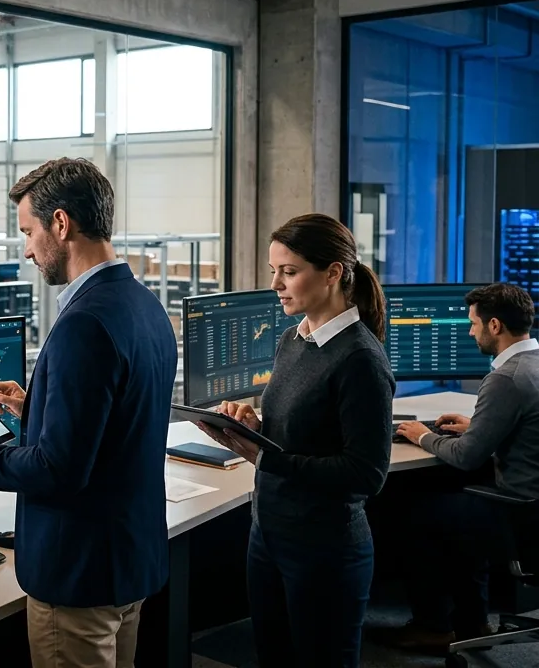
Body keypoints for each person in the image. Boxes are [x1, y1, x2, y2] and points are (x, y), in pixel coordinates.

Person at [0, 157, 178, 668]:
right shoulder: (143, 305)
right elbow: (121, 416)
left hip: (78, 575)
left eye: (28, 231)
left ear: (61, 224)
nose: (26, 250)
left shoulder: (82, 324)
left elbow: (59, 470)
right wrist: (39, 406)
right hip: (128, 559)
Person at [196, 213, 393, 668]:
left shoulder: (360, 359)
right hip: (269, 535)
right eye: (274, 272)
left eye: (289, 272)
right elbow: (300, 432)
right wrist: (253, 427)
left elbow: (366, 475)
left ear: (333, 273)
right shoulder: (293, 339)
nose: (277, 284)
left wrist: (265, 457)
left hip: (324, 550)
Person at [383, 282, 539, 652]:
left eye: (473, 324)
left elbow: (467, 456)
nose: (470, 332)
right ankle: (474, 621)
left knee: (415, 515)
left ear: (495, 326)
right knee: (457, 508)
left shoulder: (505, 377)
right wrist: (478, 427)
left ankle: (433, 626)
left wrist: (422, 435)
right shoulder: (533, 365)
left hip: (521, 512)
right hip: (532, 502)